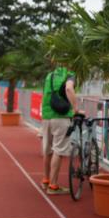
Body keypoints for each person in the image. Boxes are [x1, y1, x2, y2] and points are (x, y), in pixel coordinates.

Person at [40, 62, 77, 194]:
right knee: (58, 150)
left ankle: (45, 180)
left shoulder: (49, 76)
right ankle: (53, 186)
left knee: (48, 149)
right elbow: (68, 89)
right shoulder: (69, 75)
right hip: (61, 117)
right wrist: (75, 108)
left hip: (46, 117)